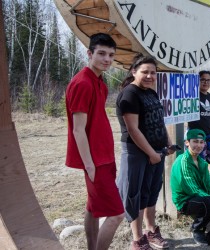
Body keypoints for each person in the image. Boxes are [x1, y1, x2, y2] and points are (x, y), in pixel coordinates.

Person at [65, 33, 124, 250]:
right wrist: (89, 165)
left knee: (93, 208)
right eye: (101, 53)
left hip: (104, 156)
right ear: (89, 53)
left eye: (111, 55)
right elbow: (78, 129)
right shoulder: (82, 83)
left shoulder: (99, 82)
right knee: (116, 214)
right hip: (95, 161)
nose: (107, 59)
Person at [116, 54, 174, 250]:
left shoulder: (151, 92)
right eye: (145, 72)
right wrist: (151, 153)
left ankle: (151, 231)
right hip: (137, 153)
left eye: (153, 72)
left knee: (151, 193)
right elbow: (133, 129)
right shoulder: (130, 94)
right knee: (135, 195)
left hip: (156, 151)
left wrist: (167, 140)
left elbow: (159, 119)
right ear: (134, 71)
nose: (150, 76)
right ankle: (137, 239)